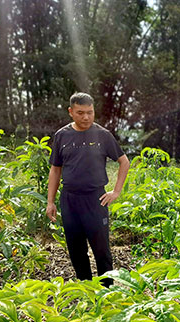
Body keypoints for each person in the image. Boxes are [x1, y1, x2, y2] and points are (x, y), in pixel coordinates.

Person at [46, 92, 130, 285]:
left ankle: (106, 290)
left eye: (90, 113)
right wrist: (50, 202)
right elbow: (55, 169)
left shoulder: (102, 135)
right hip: (69, 199)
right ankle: (86, 290)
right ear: (71, 112)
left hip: (95, 199)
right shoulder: (62, 136)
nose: (86, 117)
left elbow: (124, 162)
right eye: (80, 112)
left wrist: (115, 192)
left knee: (101, 250)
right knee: (76, 250)